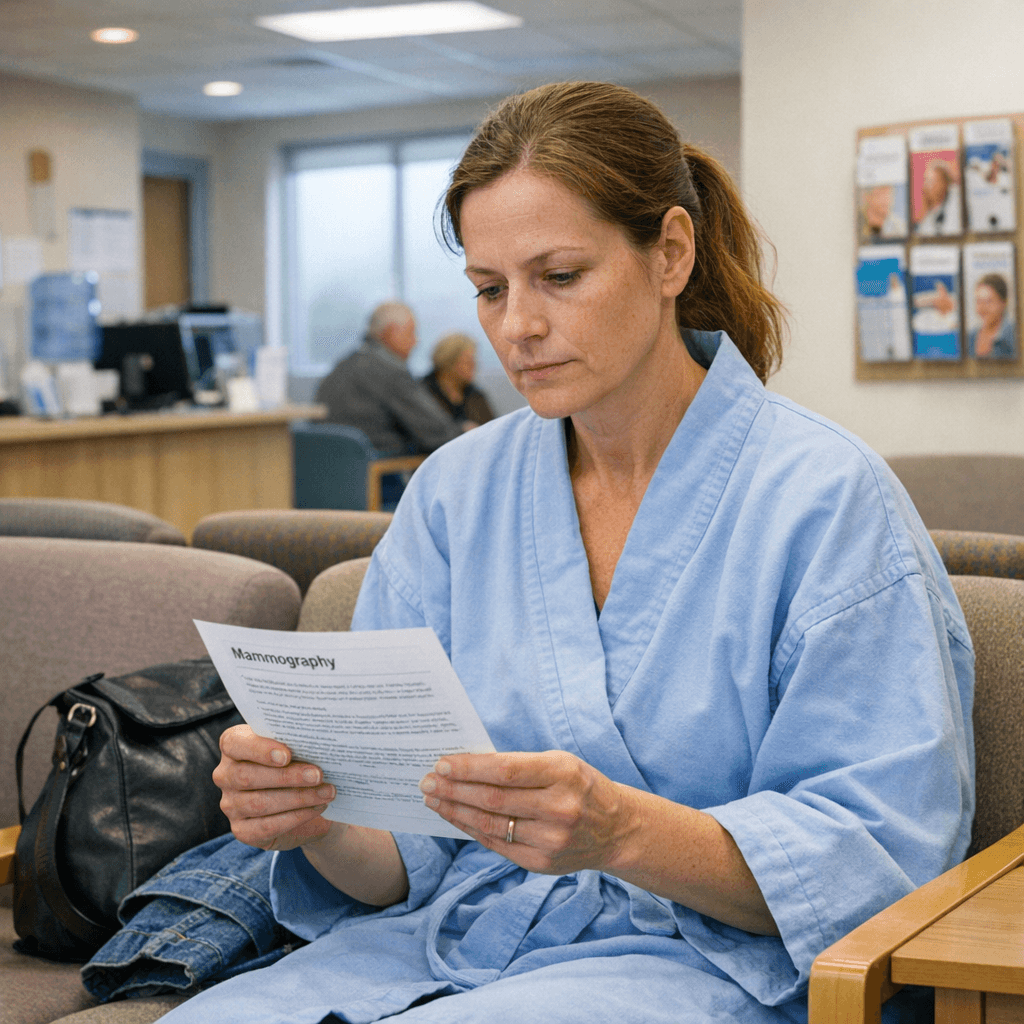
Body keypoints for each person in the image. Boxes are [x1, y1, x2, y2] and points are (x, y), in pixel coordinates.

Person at [172, 82, 974, 1023]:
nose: (518, 326)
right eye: (488, 289)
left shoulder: (827, 501)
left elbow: (876, 863)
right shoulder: (452, 495)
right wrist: (311, 822)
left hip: (713, 968)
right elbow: (397, 853)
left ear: (670, 252)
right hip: (444, 942)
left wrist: (623, 832)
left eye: (559, 276)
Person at [315, 301, 462, 454]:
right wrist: (465, 431)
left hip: (330, 468)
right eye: (411, 333)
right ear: (392, 332)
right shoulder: (390, 370)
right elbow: (437, 432)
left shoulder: (343, 365)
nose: (415, 342)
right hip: (378, 470)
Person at [422, 332, 496, 426]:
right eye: (467, 362)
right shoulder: (422, 392)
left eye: (474, 360)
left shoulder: (475, 396)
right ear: (448, 362)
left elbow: (492, 427)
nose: (474, 366)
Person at [968, 273, 1016, 359]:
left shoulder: (1014, 335)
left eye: (989, 301)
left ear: (1003, 303)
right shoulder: (970, 337)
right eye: (979, 302)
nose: (983, 308)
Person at [914, 159, 962, 237]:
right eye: (925, 181)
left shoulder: (956, 203)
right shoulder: (931, 213)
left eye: (930, 181)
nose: (925, 186)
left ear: (943, 182)